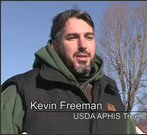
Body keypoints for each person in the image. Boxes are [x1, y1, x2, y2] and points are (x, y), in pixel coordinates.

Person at [1, 9, 136, 134]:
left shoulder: (110, 91)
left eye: (89, 37)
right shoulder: (21, 89)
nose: (83, 45)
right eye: (72, 37)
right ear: (55, 46)